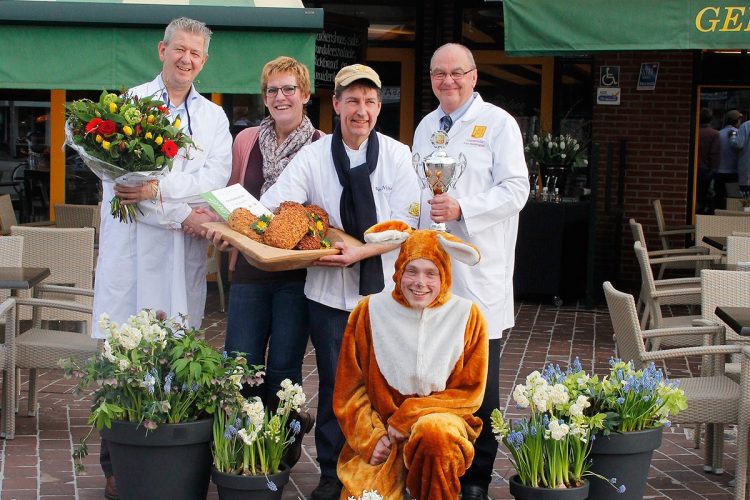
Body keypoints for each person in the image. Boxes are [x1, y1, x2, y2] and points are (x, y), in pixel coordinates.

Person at [259, 63, 421, 500]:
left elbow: (407, 225)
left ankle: (386, 472)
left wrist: (361, 252)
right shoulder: (312, 157)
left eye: (370, 101)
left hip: (386, 296)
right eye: (352, 100)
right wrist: (310, 231)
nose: (361, 110)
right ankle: (333, 474)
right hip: (328, 296)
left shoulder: (398, 155)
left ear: (378, 107)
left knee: (387, 386)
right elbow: (275, 206)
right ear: (335, 104)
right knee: (336, 386)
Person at [92, 17, 232, 500]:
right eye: (180, 50)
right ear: (162, 50)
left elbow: (214, 181)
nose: (187, 59)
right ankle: (117, 465)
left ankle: (167, 451)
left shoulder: (214, 119)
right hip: (131, 252)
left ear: (204, 60)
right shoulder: (130, 103)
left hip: (179, 254)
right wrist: (171, 206)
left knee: (174, 349)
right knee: (122, 355)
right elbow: (120, 183)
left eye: (196, 53)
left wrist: (159, 189)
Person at [412, 43, 529, 500]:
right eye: (439, 74)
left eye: (457, 73)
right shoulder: (425, 127)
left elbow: (517, 189)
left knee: (480, 386)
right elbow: (422, 194)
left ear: (474, 76)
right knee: (434, 377)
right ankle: (438, 467)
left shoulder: (499, 124)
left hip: (480, 274)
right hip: (432, 276)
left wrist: (465, 208)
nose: (448, 81)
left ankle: (476, 479)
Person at [205, 56, 322, 466]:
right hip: (250, 271)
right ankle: (243, 450)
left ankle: (279, 454)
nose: (280, 96)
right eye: (272, 90)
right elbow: (232, 200)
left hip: (296, 276)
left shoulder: (322, 146)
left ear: (305, 94)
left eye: (289, 88)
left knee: (283, 369)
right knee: (241, 364)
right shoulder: (246, 141)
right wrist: (222, 226)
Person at [333, 220, 488, 499]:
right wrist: (372, 438)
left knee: (435, 432)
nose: (420, 283)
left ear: (445, 275)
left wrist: (410, 415)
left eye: (431, 273)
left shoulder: (468, 316)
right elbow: (349, 390)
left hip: (442, 426)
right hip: (383, 433)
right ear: (398, 270)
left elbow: (468, 393)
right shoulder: (368, 311)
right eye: (411, 271)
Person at [715, 109, 742, 210]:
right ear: (737, 120)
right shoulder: (739, 134)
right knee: (733, 201)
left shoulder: (718, 134)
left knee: (718, 199)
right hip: (733, 172)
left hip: (719, 172)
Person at [697, 107, 721, 213]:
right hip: (706, 170)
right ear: (711, 119)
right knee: (704, 195)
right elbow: (714, 153)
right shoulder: (714, 134)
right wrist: (714, 169)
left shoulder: (694, 131)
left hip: (693, 168)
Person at [730, 112, 750, 193]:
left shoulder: (746, 125)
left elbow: (738, 144)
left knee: (745, 198)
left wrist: (733, 136)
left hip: (747, 168)